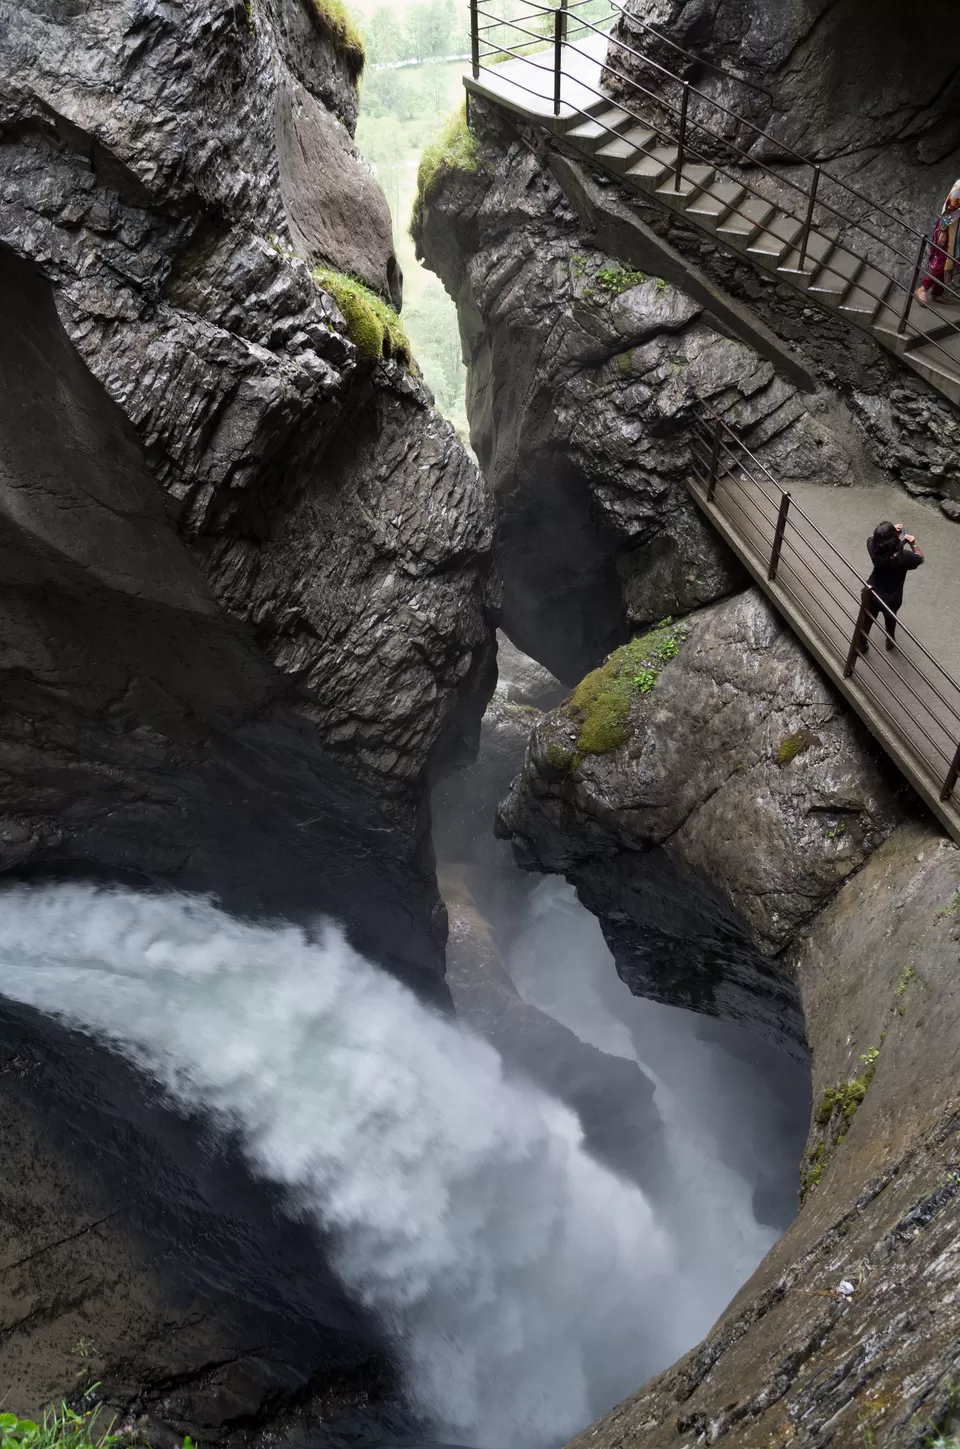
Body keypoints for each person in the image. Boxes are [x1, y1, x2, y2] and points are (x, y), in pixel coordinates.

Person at [859, 521, 924, 654]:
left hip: (872, 593)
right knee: (890, 619)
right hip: (892, 597)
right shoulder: (905, 557)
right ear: (894, 538)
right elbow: (920, 558)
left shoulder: (872, 547)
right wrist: (913, 544)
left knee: (866, 620)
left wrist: (887, 534)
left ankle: (861, 644)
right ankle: (890, 641)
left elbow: (873, 539)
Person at [916, 180, 960, 305]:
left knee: (949, 264)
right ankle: (923, 288)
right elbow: (950, 209)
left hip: (958, 232)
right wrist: (943, 231)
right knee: (944, 261)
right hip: (950, 229)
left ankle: (937, 293)